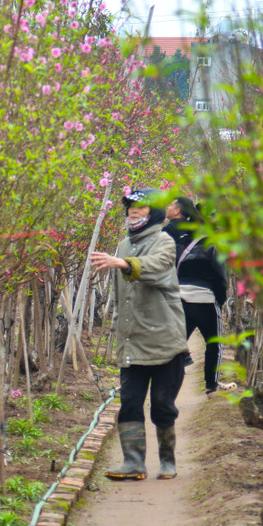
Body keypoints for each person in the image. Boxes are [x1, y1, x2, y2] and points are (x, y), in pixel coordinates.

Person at [90, 187, 188, 480]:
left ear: (154, 212)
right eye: (131, 206)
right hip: (132, 341)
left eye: (141, 207)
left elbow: (157, 269)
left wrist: (124, 264)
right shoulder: (123, 245)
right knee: (130, 402)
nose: (134, 210)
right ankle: (133, 462)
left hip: (164, 340)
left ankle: (168, 461)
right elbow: (121, 297)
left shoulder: (164, 242)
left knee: (162, 405)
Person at [165, 197, 236, 396]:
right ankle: (211, 385)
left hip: (180, 297)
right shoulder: (214, 244)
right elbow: (220, 276)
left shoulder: (182, 238)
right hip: (204, 299)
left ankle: (167, 385)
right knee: (214, 343)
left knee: (177, 344)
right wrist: (219, 301)